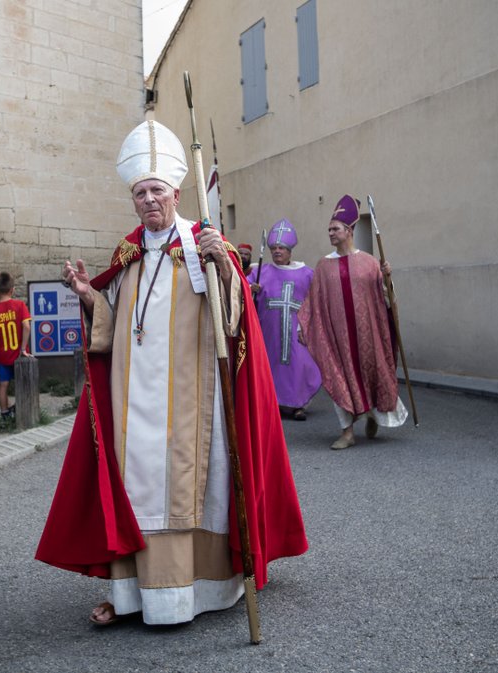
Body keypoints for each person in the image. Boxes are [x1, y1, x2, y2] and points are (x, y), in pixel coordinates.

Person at [35, 120, 308, 628]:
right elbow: (112, 325)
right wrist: (88, 296)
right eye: (140, 192)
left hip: (192, 399)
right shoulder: (129, 255)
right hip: (132, 402)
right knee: (133, 483)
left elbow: (236, 321)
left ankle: (195, 592)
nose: (147, 199)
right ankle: (133, 595)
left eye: (156, 189)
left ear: (176, 193)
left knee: (192, 484)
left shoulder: (204, 246)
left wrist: (223, 270)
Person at [298, 195, 408, 449]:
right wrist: (303, 325)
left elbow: (386, 299)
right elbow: (312, 300)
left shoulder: (370, 263)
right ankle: (347, 432)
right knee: (338, 376)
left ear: (349, 231)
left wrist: (387, 279)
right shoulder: (323, 266)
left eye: (335, 229)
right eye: (329, 229)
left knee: (370, 376)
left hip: (367, 335)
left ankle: (372, 415)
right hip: (338, 339)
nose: (330, 233)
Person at [246, 219, 321, 421]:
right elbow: (242, 289)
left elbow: (316, 299)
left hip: (297, 328)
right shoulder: (261, 272)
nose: (277, 251)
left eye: (281, 248)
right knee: (271, 366)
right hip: (269, 330)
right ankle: (274, 403)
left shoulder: (307, 274)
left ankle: (299, 405)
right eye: (274, 248)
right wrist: (250, 289)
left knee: (299, 363)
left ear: (290, 251)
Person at [0, 272, 33, 420]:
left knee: (3, 385)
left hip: (2, 355)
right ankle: (24, 412)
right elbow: (27, 326)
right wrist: (23, 348)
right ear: (12, 289)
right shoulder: (19, 305)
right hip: (19, 355)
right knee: (23, 383)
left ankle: (5, 413)